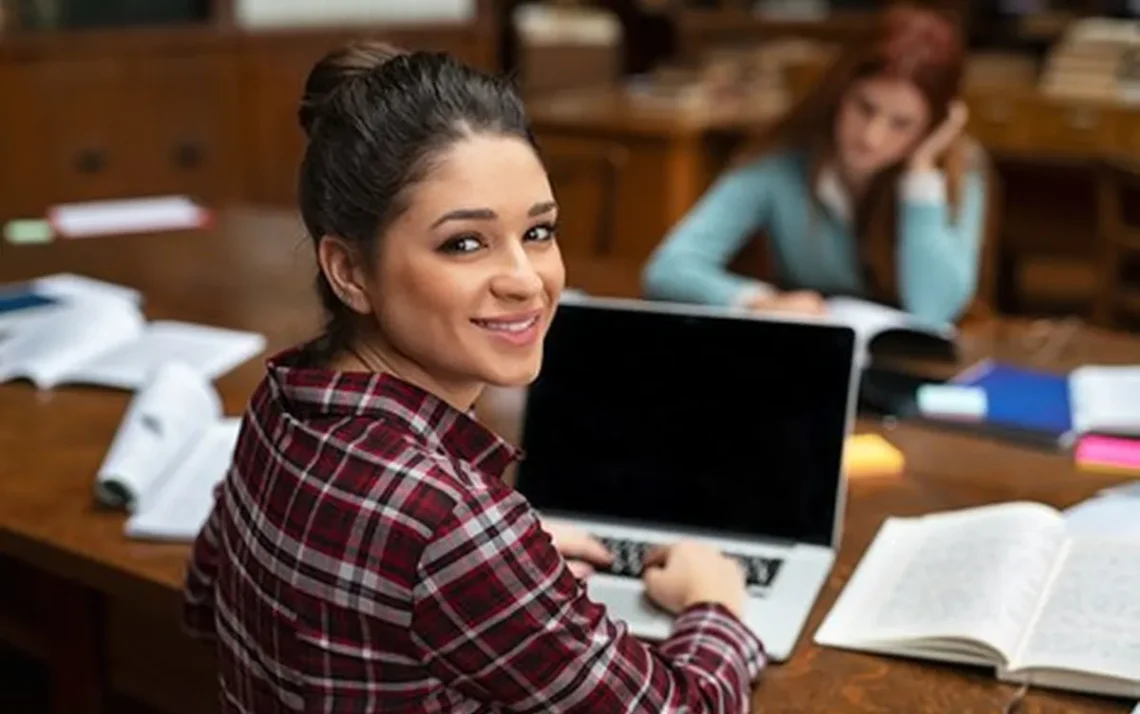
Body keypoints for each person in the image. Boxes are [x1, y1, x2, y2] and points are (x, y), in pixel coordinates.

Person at [182, 41, 764, 713]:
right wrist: (714, 603)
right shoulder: (451, 522)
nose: (526, 281)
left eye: (540, 232)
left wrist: (506, 578)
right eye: (465, 242)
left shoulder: (279, 402)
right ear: (348, 271)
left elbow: (203, 603)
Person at [641, 4, 989, 325]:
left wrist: (921, 175)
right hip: (812, 358)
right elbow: (670, 267)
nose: (872, 137)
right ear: (840, 90)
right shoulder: (782, 160)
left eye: (902, 124)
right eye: (864, 108)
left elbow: (935, 309)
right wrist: (759, 302)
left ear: (932, 128)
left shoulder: (955, 171)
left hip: (906, 371)